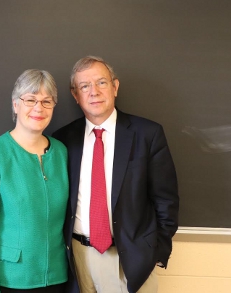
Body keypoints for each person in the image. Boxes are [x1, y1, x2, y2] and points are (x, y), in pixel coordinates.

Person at [53, 56, 179, 293]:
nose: (94, 92)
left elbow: (166, 200)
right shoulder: (62, 140)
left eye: (101, 82)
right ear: (75, 94)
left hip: (130, 259)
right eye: (84, 86)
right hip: (76, 260)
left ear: (115, 86)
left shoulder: (147, 134)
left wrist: (155, 251)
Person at [0, 69, 69, 293]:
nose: (38, 108)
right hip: (10, 282)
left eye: (46, 101)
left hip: (59, 280)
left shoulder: (61, 152)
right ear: (15, 105)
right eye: (30, 99)